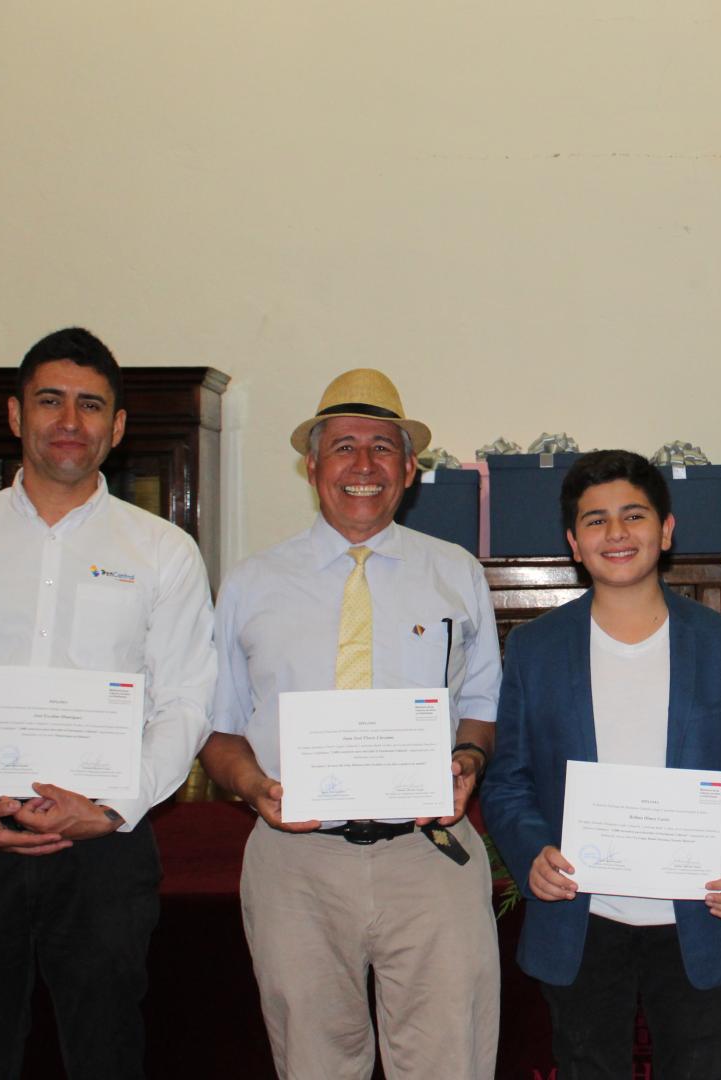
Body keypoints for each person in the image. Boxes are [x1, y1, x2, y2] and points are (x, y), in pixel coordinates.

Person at [0, 328, 216, 1079]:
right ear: (16, 414)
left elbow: (186, 699)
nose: (69, 421)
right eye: (49, 400)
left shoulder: (162, 552)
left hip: (103, 850)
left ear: (116, 428)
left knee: (106, 1050)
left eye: (91, 406)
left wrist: (116, 807)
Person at [200, 368, 502, 1080]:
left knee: (447, 1063)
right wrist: (252, 785)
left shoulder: (455, 573)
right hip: (296, 863)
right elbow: (215, 725)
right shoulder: (251, 583)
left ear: (408, 469)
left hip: (430, 858)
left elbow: (483, 704)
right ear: (312, 467)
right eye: (343, 447)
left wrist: (468, 761)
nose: (362, 466)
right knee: (312, 1063)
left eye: (381, 447)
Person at [480, 449, 721, 1079]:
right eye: (596, 521)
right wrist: (532, 852)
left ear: (666, 530)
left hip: (695, 912)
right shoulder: (534, 648)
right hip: (582, 917)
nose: (616, 533)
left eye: (634, 515)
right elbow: (508, 781)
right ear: (573, 543)